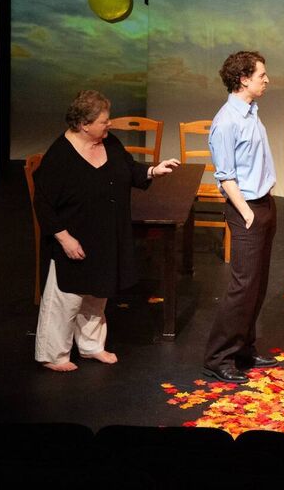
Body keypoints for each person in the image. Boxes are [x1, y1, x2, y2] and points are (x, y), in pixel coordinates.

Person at [34, 90, 179, 372]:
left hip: (107, 234)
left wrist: (152, 171)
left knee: (97, 294)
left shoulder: (109, 142)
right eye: (103, 121)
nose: (109, 125)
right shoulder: (59, 157)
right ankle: (53, 354)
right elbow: (43, 204)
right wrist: (64, 238)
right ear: (83, 125)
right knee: (67, 298)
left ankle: (90, 347)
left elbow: (128, 168)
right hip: (75, 237)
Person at [202, 51, 281, 384]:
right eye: (261, 74)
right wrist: (247, 213)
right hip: (246, 208)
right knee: (242, 286)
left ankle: (244, 348)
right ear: (243, 79)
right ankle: (217, 357)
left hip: (264, 203)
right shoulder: (226, 121)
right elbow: (225, 176)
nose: (266, 79)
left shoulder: (250, 112)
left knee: (257, 283)